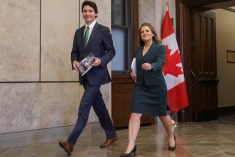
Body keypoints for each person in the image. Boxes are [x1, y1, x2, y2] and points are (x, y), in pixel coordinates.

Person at [59, 1, 117, 155]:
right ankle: (111, 134)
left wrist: (101, 61)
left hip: (97, 75)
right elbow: (74, 52)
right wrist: (74, 61)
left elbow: (111, 51)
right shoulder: (78, 32)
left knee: (84, 107)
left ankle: (70, 142)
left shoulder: (103, 30)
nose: (87, 13)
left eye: (90, 11)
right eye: (84, 11)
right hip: (85, 76)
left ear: (96, 13)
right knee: (99, 107)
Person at [120, 23, 176, 157]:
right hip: (140, 86)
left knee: (162, 114)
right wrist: (131, 74)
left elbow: (161, 62)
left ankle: (171, 136)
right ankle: (131, 146)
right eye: (142, 32)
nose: (144, 33)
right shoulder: (138, 50)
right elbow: (135, 66)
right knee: (135, 114)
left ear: (152, 34)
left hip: (156, 87)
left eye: (147, 31)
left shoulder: (160, 48)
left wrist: (151, 66)